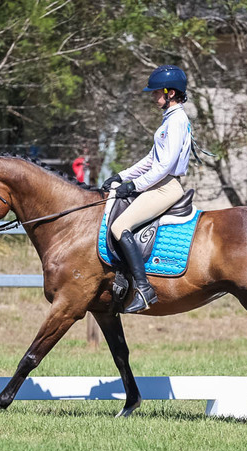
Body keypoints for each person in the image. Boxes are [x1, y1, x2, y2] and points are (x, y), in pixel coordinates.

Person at [101, 65, 192, 313]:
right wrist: (122, 176)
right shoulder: (169, 121)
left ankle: (144, 288)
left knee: (120, 227)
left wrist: (134, 185)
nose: (153, 96)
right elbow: (150, 160)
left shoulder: (177, 121)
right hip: (158, 183)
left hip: (165, 187)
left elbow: (163, 167)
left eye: (156, 92)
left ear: (170, 93)